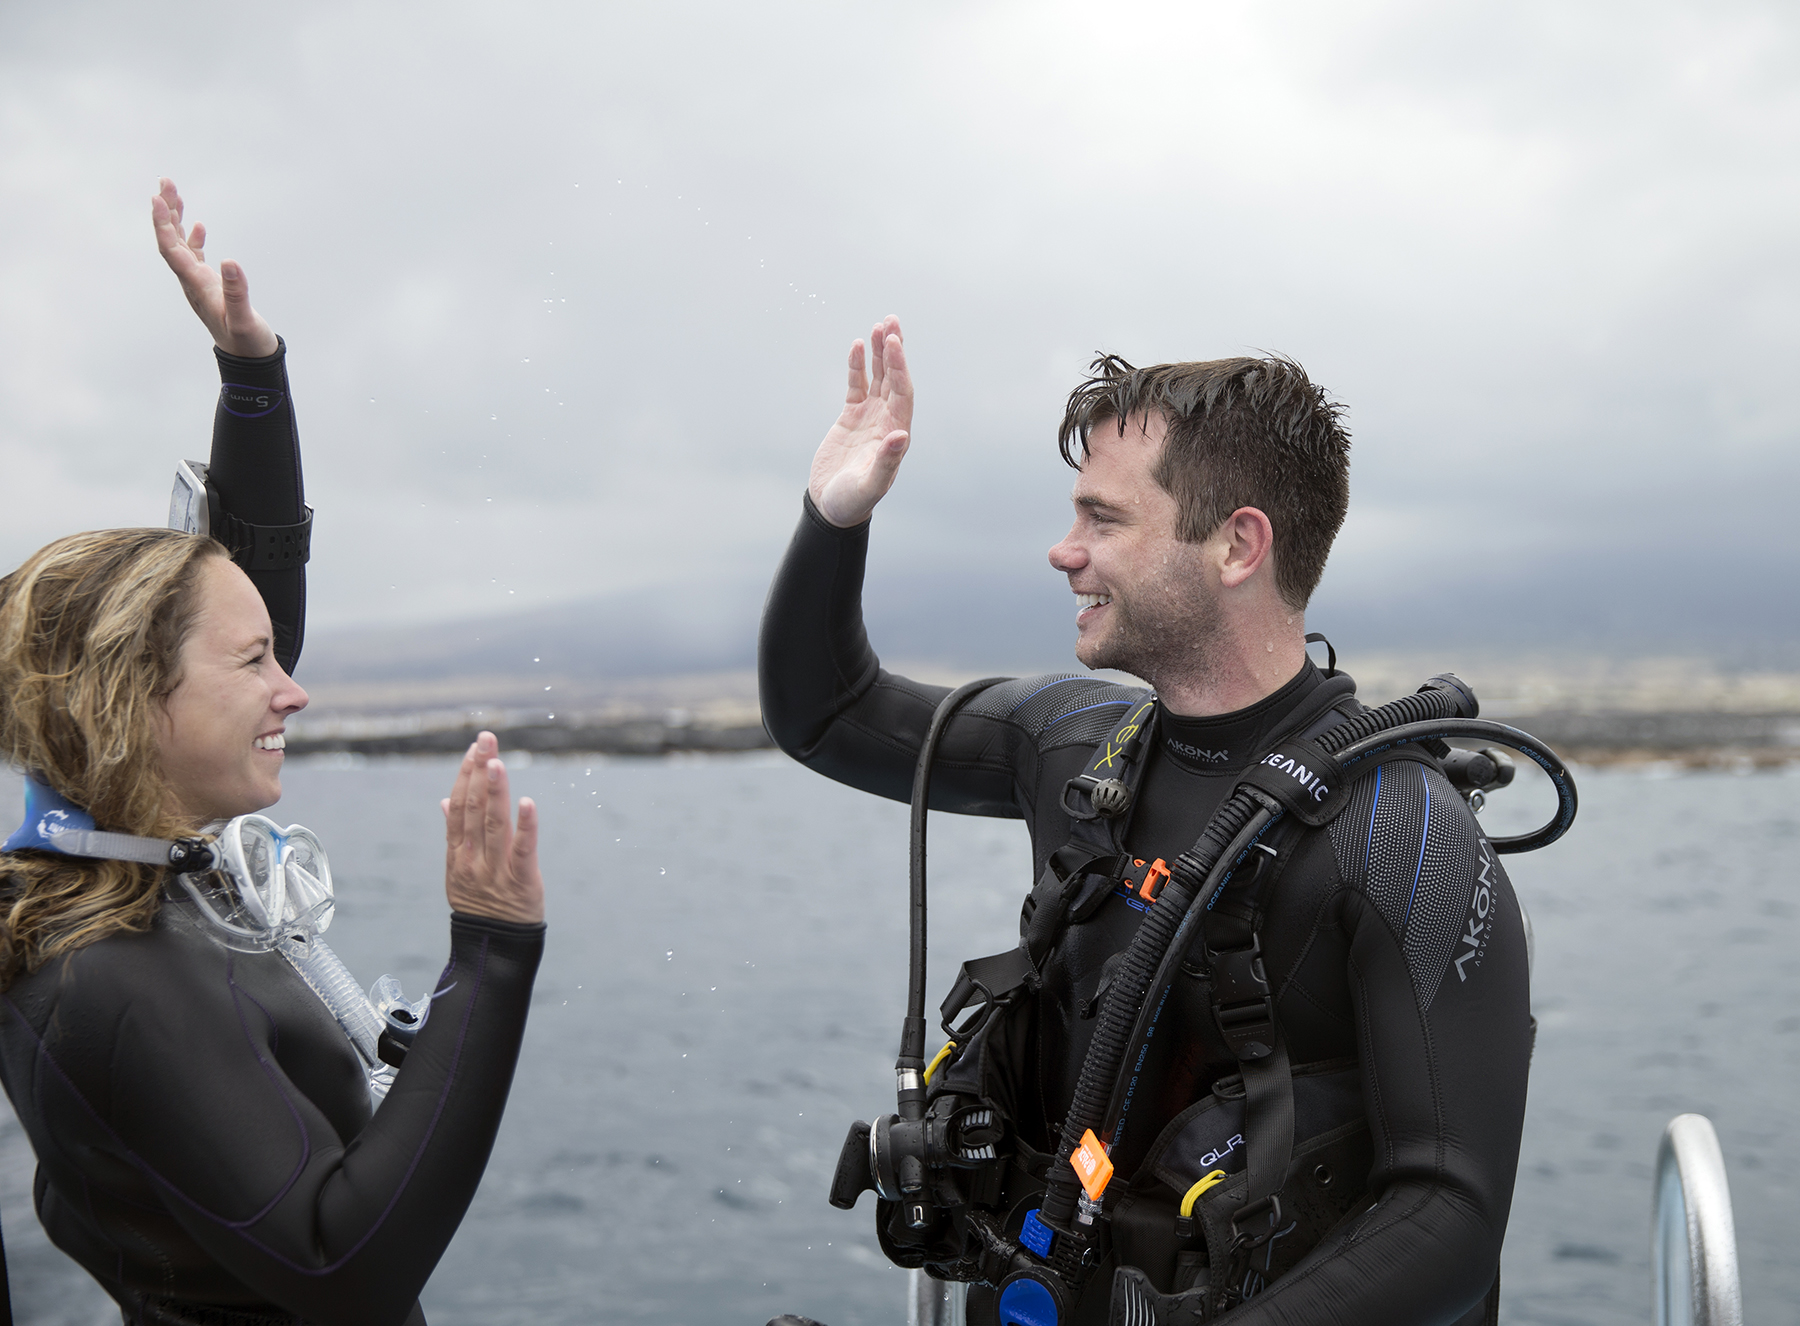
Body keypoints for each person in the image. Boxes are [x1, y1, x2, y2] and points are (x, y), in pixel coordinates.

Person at [759, 320, 1532, 1324]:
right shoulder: (1077, 751)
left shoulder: (1402, 840)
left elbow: (1449, 1221)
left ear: (1237, 545)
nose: (1062, 550)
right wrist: (833, 515)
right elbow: (826, 715)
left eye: (1102, 519)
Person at [0, 183, 546, 1326]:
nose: (292, 688)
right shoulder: (110, 976)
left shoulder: (133, 860)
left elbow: (234, 608)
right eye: (255, 667)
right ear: (130, 702)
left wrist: (252, 377)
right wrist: (490, 956)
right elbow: (344, 1270)